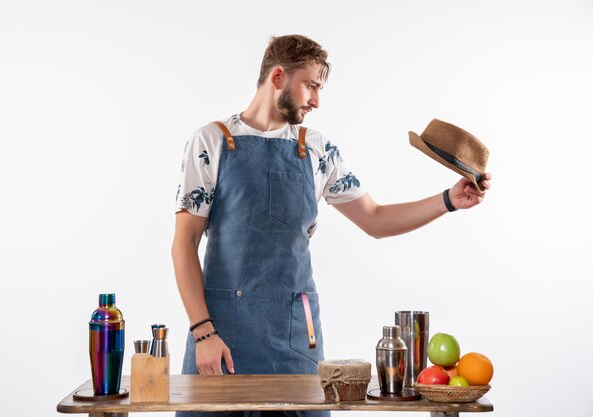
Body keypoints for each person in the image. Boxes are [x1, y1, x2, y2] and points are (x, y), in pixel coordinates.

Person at [172, 34, 491, 417]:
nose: (316, 100)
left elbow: (375, 218)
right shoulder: (211, 141)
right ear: (277, 78)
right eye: (310, 85)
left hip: (294, 341)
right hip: (219, 338)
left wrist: (447, 201)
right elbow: (183, 244)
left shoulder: (319, 151)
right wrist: (203, 331)